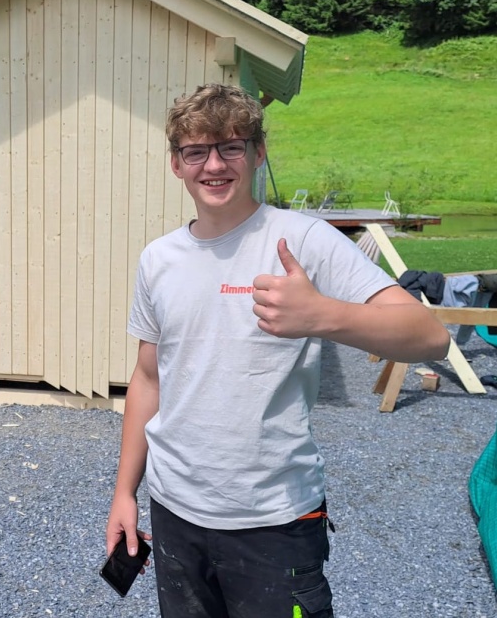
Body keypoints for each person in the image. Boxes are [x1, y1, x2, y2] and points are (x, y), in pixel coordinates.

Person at [105, 84, 450, 618]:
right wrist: (124, 492)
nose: (214, 165)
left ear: (259, 153)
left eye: (232, 147)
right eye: (196, 151)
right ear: (176, 163)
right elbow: (148, 377)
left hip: (274, 518)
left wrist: (323, 316)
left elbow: (429, 335)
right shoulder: (159, 259)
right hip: (174, 510)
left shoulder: (301, 240)